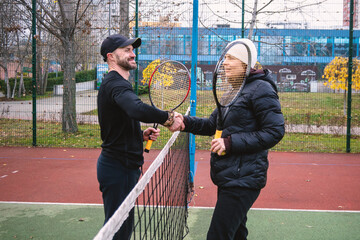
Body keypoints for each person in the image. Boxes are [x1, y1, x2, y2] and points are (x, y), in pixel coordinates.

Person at [173, 38, 285, 240]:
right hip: (231, 176)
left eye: (231, 58)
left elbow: (275, 131)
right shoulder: (234, 91)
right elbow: (212, 125)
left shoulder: (261, 89)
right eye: (225, 57)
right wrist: (185, 123)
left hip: (243, 179)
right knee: (237, 235)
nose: (224, 63)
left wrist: (230, 142)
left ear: (246, 63)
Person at [97, 34, 182, 240]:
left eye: (132, 49)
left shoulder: (116, 84)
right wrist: (168, 118)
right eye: (126, 50)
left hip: (123, 165)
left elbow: (117, 123)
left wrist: (139, 135)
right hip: (118, 168)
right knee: (118, 230)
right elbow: (136, 109)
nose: (132, 53)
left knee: (122, 227)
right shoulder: (116, 84)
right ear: (111, 56)